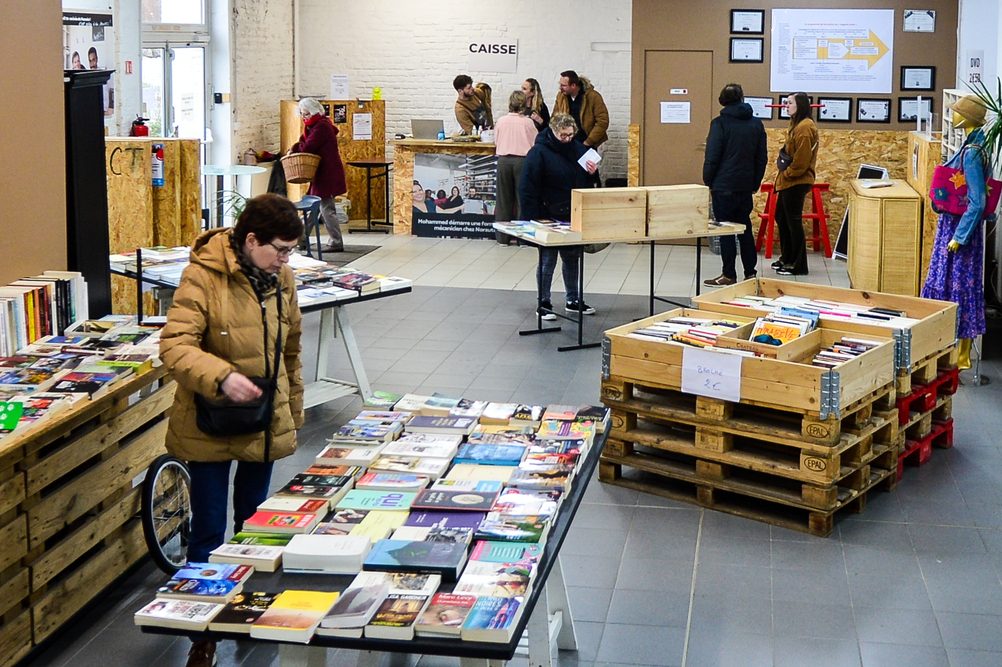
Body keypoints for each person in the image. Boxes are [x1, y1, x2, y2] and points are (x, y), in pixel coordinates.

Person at [159, 193, 305, 667]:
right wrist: (221, 376)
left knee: (254, 528)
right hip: (210, 422)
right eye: (279, 250)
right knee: (207, 533)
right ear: (251, 240)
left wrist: (293, 412)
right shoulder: (202, 275)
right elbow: (175, 346)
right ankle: (203, 631)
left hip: (261, 423)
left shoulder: (281, 279)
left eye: (290, 252)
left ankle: (243, 609)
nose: (286, 261)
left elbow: (292, 350)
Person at [922, 94, 992, 370]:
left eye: (959, 113)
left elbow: (978, 201)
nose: (954, 116)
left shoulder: (973, 152)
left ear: (969, 118)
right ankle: (952, 347)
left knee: (958, 288)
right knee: (955, 287)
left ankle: (960, 354)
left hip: (959, 229)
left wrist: (958, 237)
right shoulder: (972, 145)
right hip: (955, 225)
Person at [519, 114, 599, 319]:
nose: (567, 139)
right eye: (563, 135)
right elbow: (527, 187)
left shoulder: (579, 149)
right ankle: (543, 302)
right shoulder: (538, 152)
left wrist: (592, 173)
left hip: (572, 213)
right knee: (548, 261)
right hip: (546, 215)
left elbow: (589, 182)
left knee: (572, 258)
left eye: (571, 135)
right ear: (553, 132)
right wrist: (531, 219)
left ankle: (573, 300)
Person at [702, 83, 768, 286]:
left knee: (726, 231)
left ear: (722, 100)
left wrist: (708, 180)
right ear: (742, 99)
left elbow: (712, 156)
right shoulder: (756, 124)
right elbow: (761, 158)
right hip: (745, 186)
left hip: (723, 185)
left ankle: (728, 274)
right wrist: (754, 183)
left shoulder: (719, 123)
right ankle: (750, 273)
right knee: (744, 228)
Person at [290, 97, 347, 252]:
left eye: (306, 114)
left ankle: (336, 241)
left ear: (314, 112)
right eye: (302, 114)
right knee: (313, 205)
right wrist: (297, 146)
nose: (304, 117)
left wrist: (295, 148)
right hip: (321, 174)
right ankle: (300, 238)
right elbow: (303, 142)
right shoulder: (314, 126)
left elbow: (308, 147)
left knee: (325, 208)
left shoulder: (321, 127)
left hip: (326, 174)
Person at [773, 91, 818, 276]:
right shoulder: (796, 125)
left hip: (796, 181)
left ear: (800, 105)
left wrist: (788, 173)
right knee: (781, 217)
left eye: (790, 102)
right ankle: (788, 257)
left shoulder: (805, 128)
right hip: (788, 181)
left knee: (793, 222)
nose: (786, 105)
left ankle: (798, 265)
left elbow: (802, 160)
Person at [494, 90, 539, 230]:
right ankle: (522, 236)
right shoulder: (528, 123)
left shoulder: (501, 121)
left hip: (503, 161)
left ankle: (502, 237)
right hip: (522, 162)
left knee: (503, 200)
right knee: (522, 199)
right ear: (523, 104)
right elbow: (535, 143)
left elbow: (496, 140)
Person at [552, 70, 609, 149]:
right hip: (567, 143)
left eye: (563, 85)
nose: (560, 88)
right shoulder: (561, 96)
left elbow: (602, 121)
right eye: (560, 85)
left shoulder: (593, 97)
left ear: (573, 85)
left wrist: (589, 141)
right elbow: (555, 118)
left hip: (587, 143)